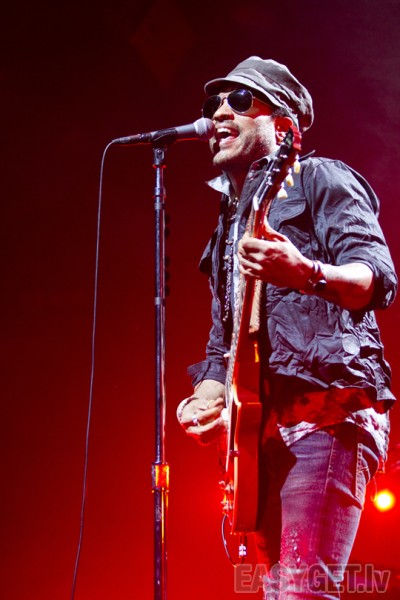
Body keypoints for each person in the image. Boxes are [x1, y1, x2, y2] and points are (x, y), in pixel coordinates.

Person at [176, 56, 397, 598]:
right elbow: (221, 346)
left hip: (327, 413)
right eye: (213, 103)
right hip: (259, 439)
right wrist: (204, 401)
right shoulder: (228, 224)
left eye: (239, 100)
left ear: (283, 123)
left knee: (301, 591)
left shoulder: (322, 177)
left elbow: (376, 277)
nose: (219, 113)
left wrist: (306, 272)